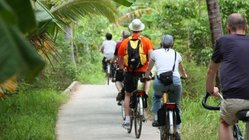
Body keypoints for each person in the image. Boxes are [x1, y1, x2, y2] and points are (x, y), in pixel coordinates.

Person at [206, 13, 249, 140]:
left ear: (228, 28)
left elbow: (211, 70)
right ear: (246, 27)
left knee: (225, 122)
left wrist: (210, 89)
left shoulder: (223, 41)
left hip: (233, 99)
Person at [145, 35, 187, 139]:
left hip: (160, 82)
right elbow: (182, 70)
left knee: (157, 96)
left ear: (161, 43)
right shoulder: (177, 54)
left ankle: (156, 119)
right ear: (172, 44)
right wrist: (185, 76)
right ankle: (177, 129)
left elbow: (149, 68)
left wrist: (146, 76)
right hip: (175, 81)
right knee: (176, 104)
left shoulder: (155, 53)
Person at [118, 19, 154, 128]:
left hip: (129, 72)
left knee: (128, 94)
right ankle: (143, 100)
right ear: (141, 29)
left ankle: (127, 119)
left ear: (131, 29)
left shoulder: (125, 42)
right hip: (142, 72)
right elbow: (151, 57)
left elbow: (120, 58)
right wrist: (148, 68)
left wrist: (121, 68)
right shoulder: (146, 41)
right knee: (141, 89)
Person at [114, 31, 131, 105]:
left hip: (122, 65)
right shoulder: (133, 43)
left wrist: (114, 61)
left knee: (117, 80)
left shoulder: (119, 44)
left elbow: (117, 55)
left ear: (122, 36)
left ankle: (120, 91)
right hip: (132, 66)